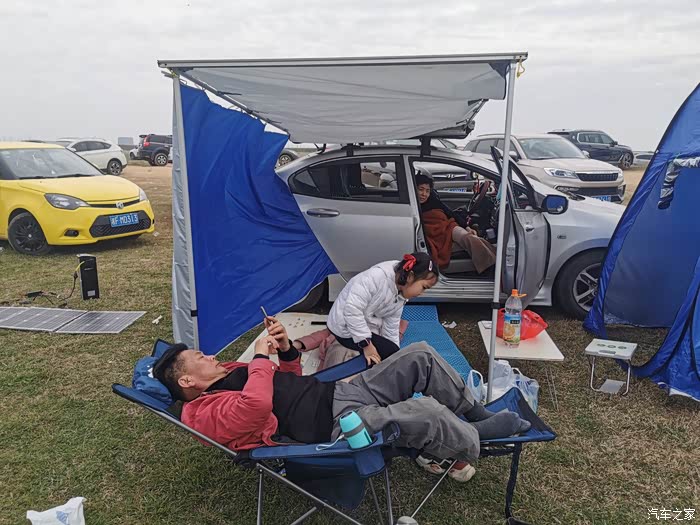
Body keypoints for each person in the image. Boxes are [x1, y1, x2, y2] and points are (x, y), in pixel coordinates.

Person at [153, 317, 531, 483]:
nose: (209, 356)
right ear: (187, 380)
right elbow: (257, 406)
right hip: (332, 429)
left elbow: (290, 380)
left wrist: (285, 350)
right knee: (425, 410)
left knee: (420, 354)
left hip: (336, 392)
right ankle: (479, 438)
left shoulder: (230, 370)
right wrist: (261, 358)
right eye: (200, 358)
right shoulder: (201, 412)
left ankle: (476, 414)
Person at [326, 253, 438, 366]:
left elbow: (391, 326)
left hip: (363, 323)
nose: (421, 293)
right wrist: (367, 345)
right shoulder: (376, 277)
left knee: (391, 354)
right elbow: (352, 310)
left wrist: (394, 354)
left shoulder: (400, 293)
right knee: (373, 360)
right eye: (424, 287)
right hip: (344, 327)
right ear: (410, 277)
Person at [416, 173, 497, 274]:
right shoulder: (411, 205)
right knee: (474, 241)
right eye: (421, 189)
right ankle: (492, 266)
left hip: (447, 226)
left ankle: (494, 263)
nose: (424, 194)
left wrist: (467, 227)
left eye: (427, 191)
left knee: (469, 237)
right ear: (414, 189)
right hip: (433, 234)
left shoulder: (432, 200)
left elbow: (450, 213)